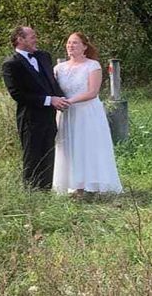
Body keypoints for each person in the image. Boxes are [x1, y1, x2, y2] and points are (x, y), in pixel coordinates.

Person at [52, 32, 122, 196]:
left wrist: (71, 101)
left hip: (86, 112)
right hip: (66, 112)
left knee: (87, 146)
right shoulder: (59, 68)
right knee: (68, 147)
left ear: (84, 46)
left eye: (75, 43)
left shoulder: (92, 66)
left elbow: (92, 91)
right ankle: (72, 184)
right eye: (69, 43)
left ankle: (90, 184)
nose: (71, 46)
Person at [2, 26, 69, 190]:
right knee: (32, 153)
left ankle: (46, 188)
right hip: (30, 116)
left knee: (48, 150)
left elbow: (51, 82)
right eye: (32, 36)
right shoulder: (11, 64)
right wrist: (48, 100)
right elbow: (17, 94)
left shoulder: (44, 56)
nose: (36, 39)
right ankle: (31, 190)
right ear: (20, 39)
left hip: (50, 114)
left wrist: (60, 98)